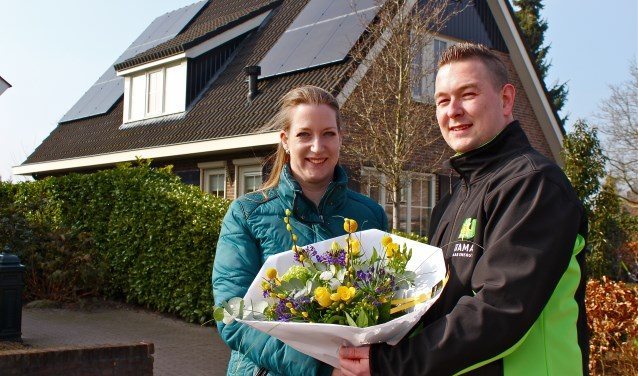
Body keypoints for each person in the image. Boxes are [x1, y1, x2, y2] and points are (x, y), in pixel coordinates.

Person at [338, 42, 588, 375]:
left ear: (506, 99)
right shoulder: (451, 202)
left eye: (467, 94)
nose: (452, 110)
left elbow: (501, 310)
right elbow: (432, 306)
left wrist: (389, 365)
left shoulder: (534, 184)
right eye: (442, 100)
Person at [213, 85, 388, 376]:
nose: (317, 147)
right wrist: (321, 370)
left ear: (340, 139)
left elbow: (386, 305)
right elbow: (232, 314)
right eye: (304, 134)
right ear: (285, 140)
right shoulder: (246, 214)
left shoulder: (370, 215)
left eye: (328, 134)